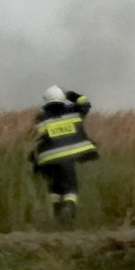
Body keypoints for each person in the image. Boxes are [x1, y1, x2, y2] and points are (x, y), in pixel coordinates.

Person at [31, 86, 99, 225]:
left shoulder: (40, 118)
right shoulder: (73, 110)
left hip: (48, 159)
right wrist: (72, 95)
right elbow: (85, 103)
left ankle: (56, 215)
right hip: (69, 156)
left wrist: (35, 161)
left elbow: (36, 140)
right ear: (62, 98)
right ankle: (68, 208)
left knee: (55, 187)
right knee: (70, 187)